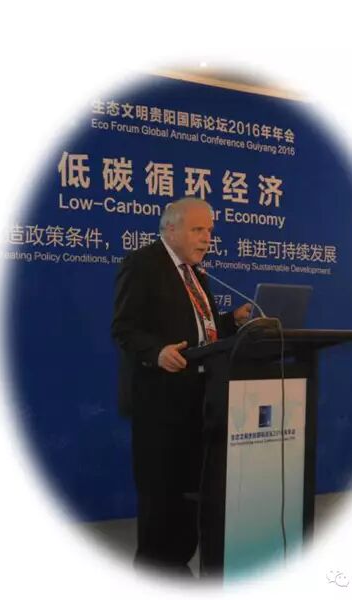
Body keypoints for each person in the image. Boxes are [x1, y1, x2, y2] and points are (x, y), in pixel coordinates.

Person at [111, 197, 251, 577]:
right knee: (161, 496)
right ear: (170, 229)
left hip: (198, 400)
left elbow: (202, 332)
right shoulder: (143, 264)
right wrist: (156, 353)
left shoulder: (196, 274)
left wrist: (232, 321)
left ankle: (177, 566)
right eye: (198, 230)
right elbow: (124, 328)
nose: (207, 238)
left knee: (189, 493)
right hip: (159, 402)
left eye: (210, 231)